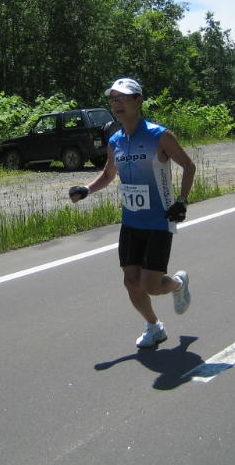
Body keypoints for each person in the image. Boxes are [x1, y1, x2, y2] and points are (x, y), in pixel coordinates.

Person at [69, 77, 196, 349]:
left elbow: (189, 166)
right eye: (113, 99)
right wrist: (87, 189)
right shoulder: (115, 141)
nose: (116, 104)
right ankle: (154, 326)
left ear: (138, 101)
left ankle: (177, 284)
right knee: (130, 281)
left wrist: (182, 201)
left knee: (151, 285)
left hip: (159, 221)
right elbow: (108, 174)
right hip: (131, 221)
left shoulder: (160, 135)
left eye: (122, 99)